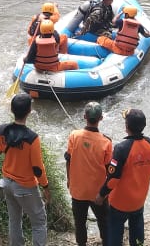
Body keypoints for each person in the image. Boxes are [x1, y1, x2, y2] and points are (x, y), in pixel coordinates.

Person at [0, 93, 51, 246]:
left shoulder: (2, 130)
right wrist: (46, 187)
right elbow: (37, 168)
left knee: (14, 219)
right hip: (26, 187)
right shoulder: (32, 138)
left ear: (12, 110)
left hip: (6, 183)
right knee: (39, 221)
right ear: (29, 111)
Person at [98, 108, 150, 246]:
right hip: (139, 200)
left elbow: (113, 179)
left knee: (114, 233)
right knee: (137, 231)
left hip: (120, 203)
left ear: (126, 127)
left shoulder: (121, 149)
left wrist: (101, 195)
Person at [65, 102, 113, 246]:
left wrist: (69, 179)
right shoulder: (106, 142)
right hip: (97, 192)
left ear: (84, 116)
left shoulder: (74, 136)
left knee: (79, 222)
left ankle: (82, 244)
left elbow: (68, 159)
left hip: (78, 190)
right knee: (104, 220)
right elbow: (109, 169)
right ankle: (106, 242)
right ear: (101, 118)